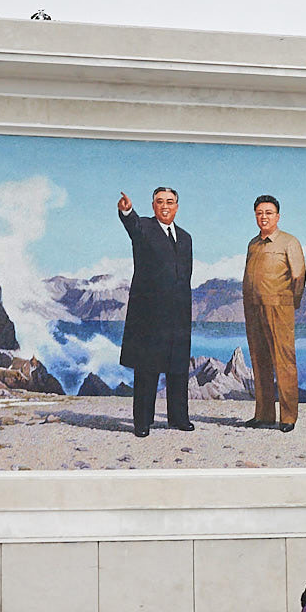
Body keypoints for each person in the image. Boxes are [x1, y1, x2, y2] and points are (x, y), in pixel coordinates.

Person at [116, 187, 194, 437]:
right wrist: (127, 211)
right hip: (149, 313)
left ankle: (178, 417)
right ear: (153, 206)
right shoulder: (144, 228)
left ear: (177, 207)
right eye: (160, 202)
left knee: (178, 366)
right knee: (147, 367)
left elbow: (185, 275)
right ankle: (142, 422)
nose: (165, 206)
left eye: (170, 202)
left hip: (179, 313)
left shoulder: (186, 237)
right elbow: (132, 225)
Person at [241, 194, 306, 432]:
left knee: (284, 361)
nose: (264, 217)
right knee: (259, 361)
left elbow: (299, 276)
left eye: (268, 213)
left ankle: (288, 417)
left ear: (277, 216)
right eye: (259, 213)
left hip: (279, 306)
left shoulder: (289, 242)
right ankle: (264, 414)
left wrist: (289, 302)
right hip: (253, 307)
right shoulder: (253, 244)